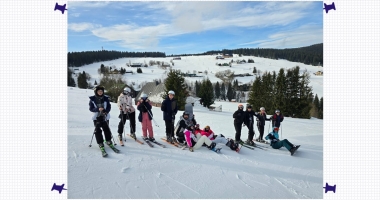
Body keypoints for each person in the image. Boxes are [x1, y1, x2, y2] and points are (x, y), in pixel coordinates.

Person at [89, 85, 115, 150]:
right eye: (99, 91)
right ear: (96, 92)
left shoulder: (106, 98)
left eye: (101, 91)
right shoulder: (92, 99)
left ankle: (108, 140)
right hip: (97, 117)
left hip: (104, 116)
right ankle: (100, 142)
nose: (100, 92)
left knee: (106, 128)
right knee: (97, 130)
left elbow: (109, 106)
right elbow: (91, 108)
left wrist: (106, 111)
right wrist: (97, 109)